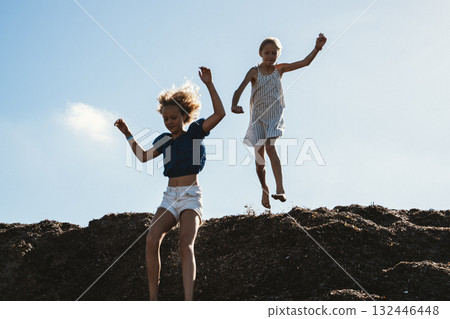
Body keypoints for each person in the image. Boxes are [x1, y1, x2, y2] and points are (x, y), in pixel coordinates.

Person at [114, 67, 225, 301]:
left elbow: (220, 114)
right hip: (169, 197)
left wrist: (209, 84)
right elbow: (143, 156)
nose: (169, 122)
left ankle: (188, 302)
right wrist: (127, 134)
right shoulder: (164, 140)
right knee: (151, 238)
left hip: (191, 196)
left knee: (185, 245)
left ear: (184, 116)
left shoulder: (195, 132)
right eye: (165, 118)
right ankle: (153, 301)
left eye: (173, 117)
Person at [231, 34, 327, 209]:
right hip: (258, 119)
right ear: (260, 53)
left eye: (274, 53)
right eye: (267, 52)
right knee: (260, 162)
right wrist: (234, 104)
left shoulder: (279, 70)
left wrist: (317, 48)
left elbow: (304, 62)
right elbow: (239, 89)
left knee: (270, 147)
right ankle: (264, 187)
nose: (270, 56)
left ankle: (280, 188)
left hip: (275, 116)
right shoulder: (254, 72)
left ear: (278, 55)